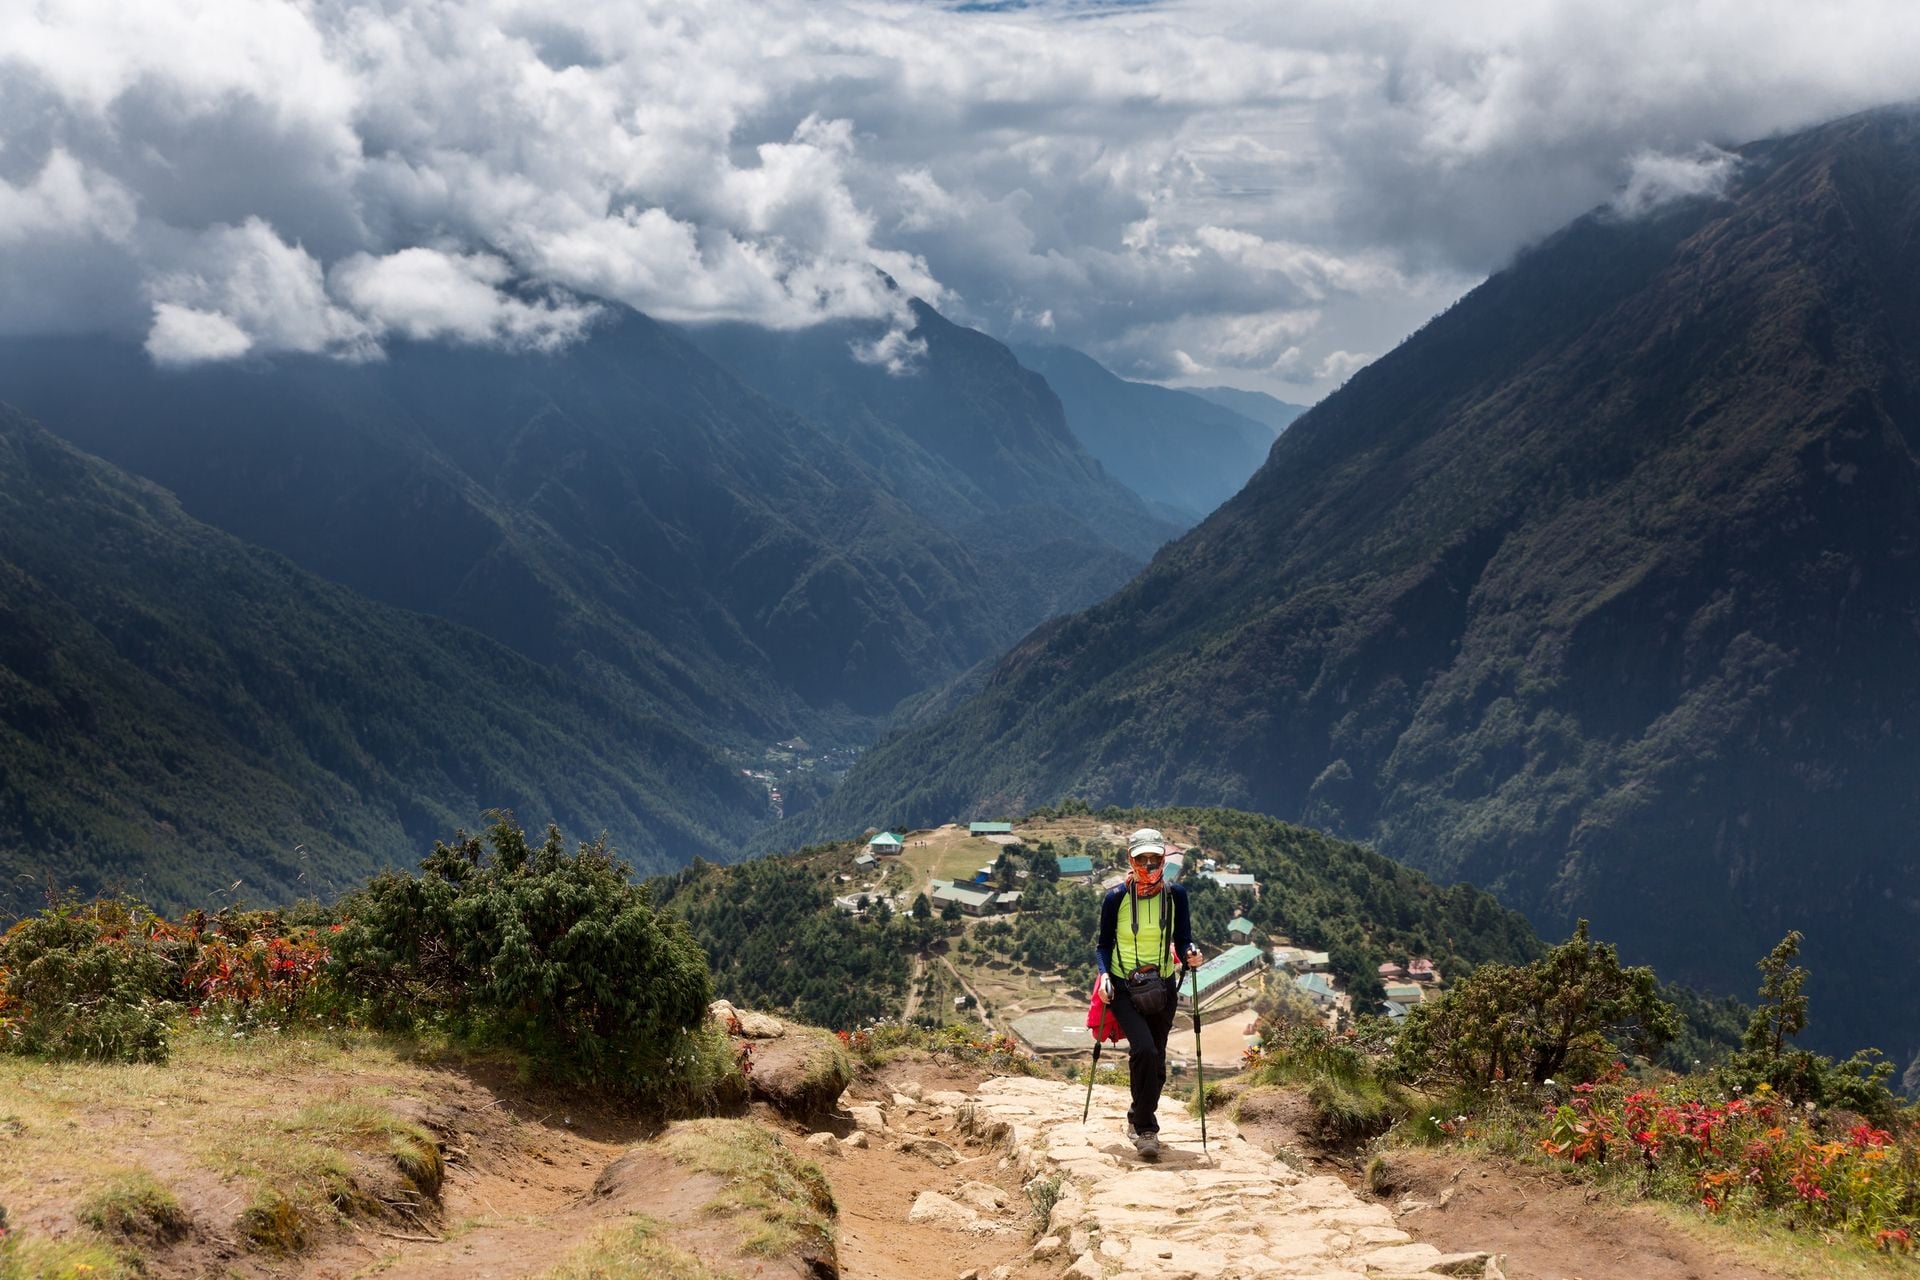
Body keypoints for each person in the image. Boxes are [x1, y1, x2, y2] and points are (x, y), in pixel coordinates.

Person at [1094, 827, 1200, 1159]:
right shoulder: (1115, 898)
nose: (1150, 864)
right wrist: (1103, 976)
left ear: (1164, 859)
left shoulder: (1176, 894)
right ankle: (1146, 1129)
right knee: (1144, 1051)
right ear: (1131, 859)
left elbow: (1183, 939)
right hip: (1124, 987)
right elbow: (1102, 946)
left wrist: (1191, 953)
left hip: (1163, 988)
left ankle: (1135, 1115)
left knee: (1157, 1065)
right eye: (1143, 859)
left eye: (1156, 858)